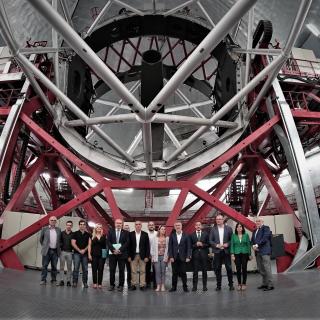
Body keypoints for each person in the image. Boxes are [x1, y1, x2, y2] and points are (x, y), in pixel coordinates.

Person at [209, 214, 234, 291]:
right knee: (217, 269)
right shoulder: (213, 229)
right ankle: (218, 286)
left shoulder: (229, 229)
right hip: (217, 252)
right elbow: (210, 241)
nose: (218, 221)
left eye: (220, 219)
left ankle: (231, 285)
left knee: (229, 268)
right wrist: (216, 245)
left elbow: (232, 240)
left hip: (226, 251)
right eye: (217, 219)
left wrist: (227, 244)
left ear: (223, 220)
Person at [168, 221, 191, 292]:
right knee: (174, 273)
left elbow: (189, 247)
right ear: (174, 227)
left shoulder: (186, 235)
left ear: (181, 226)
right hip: (174, 257)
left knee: (183, 272)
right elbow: (170, 247)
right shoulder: (172, 235)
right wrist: (171, 256)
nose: (178, 227)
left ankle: (185, 287)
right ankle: (174, 287)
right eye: (176, 225)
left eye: (179, 225)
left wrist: (188, 256)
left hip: (183, 257)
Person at [251, 217, 274, 291]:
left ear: (262, 222)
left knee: (267, 268)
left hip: (265, 251)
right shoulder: (255, 231)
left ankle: (270, 285)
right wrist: (253, 246)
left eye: (259, 221)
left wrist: (257, 245)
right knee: (261, 269)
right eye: (256, 221)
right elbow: (252, 240)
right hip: (257, 252)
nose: (257, 222)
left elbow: (265, 238)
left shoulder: (266, 228)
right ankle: (264, 283)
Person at [107, 219, 129, 292]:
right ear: (115, 224)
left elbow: (127, 243)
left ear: (122, 224)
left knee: (121, 270)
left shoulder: (126, 232)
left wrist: (120, 250)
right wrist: (114, 250)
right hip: (112, 254)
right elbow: (108, 242)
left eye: (120, 223)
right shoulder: (110, 231)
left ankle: (121, 285)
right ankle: (112, 285)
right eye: (117, 223)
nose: (118, 224)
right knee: (112, 270)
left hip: (122, 254)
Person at [39, 215, 61, 285]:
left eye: (54, 220)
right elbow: (41, 239)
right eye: (52, 220)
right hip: (47, 251)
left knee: (54, 266)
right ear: (49, 221)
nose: (53, 221)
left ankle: (53, 279)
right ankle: (43, 280)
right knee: (44, 266)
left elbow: (59, 240)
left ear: (56, 222)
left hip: (55, 251)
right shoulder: (44, 229)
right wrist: (44, 246)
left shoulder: (58, 229)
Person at [128, 221, 150, 290]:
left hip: (142, 256)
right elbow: (128, 246)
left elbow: (147, 246)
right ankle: (133, 284)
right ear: (135, 225)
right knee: (133, 271)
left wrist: (147, 256)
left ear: (141, 225)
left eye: (139, 224)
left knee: (143, 271)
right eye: (136, 224)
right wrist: (128, 256)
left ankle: (142, 285)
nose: (138, 225)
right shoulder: (130, 234)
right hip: (133, 255)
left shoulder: (145, 234)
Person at [230, 223, 252, 291]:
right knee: (238, 269)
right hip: (236, 254)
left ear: (242, 228)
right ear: (236, 228)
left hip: (245, 253)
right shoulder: (233, 236)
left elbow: (248, 245)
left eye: (240, 227)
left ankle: (244, 284)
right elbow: (232, 245)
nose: (239, 228)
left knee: (244, 269)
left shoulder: (246, 235)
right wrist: (232, 254)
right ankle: (239, 284)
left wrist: (250, 254)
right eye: (238, 227)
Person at [190, 221, 209, 291]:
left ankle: (205, 286)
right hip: (195, 256)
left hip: (204, 255)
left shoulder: (206, 234)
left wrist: (202, 244)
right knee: (195, 271)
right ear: (195, 226)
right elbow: (190, 246)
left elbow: (209, 244)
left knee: (205, 271)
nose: (198, 226)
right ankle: (194, 287)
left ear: (201, 226)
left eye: (199, 225)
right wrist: (196, 245)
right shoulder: (191, 235)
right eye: (196, 225)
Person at [71, 220, 91, 288]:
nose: (82, 225)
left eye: (83, 224)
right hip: (76, 254)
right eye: (81, 224)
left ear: (85, 226)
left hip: (85, 254)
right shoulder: (75, 233)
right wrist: (79, 250)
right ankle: (74, 282)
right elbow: (73, 243)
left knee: (85, 269)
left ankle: (85, 282)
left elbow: (89, 244)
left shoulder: (88, 234)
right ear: (79, 225)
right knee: (76, 268)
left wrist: (84, 250)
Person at [150, 225, 169, 291]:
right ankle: (158, 286)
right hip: (156, 257)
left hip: (164, 257)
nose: (163, 230)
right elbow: (152, 248)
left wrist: (167, 257)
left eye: (164, 229)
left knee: (163, 272)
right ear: (159, 230)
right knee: (157, 272)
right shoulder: (155, 238)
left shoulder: (167, 238)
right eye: (162, 229)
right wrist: (152, 256)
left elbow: (168, 249)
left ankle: (163, 285)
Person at [88, 223, 107, 289]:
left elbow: (106, 246)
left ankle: (100, 283)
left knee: (101, 269)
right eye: (97, 227)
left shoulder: (104, 236)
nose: (99, 228)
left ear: (101, 228)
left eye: (100, 227)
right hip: (94, 255)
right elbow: (89, 246)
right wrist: (89, 254)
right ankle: (95, 283)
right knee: (94, 269)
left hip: (102, 255)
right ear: (95, 228)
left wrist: (105, 256)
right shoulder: (91, 236)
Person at [58, 220, 73, 287]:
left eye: (70, 225)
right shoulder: (62, 233)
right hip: (63, 252)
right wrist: (61, 247)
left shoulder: (73, 234)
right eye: (68, 225)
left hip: (70, 253)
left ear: (71, 226)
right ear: (66, 225)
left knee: (69, 268)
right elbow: (59, 242)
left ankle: (68, 281)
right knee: (61, 267)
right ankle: (61, 280)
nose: (69, 226)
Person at [146, 221, 157, 289]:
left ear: (154, 226)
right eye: (150, 225)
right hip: (147, 255)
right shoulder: (145, 233)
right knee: (147, 269)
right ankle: (147, 283)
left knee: (155, 270)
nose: (151, 226)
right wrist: (147, 254)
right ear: (148, 226)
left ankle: (155, 284)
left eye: (152, 225)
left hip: (155, 254)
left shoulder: (157, 233)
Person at [123, 224, 131, 288]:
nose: (126, 229)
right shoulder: (121, 235)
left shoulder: (131, 236)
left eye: (127, 228)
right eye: (125, 228)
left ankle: (129, 283)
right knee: (121, 270)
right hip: (121, 256)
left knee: (129, 270)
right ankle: (121, 283)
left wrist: (130, 256)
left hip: (129, 256)